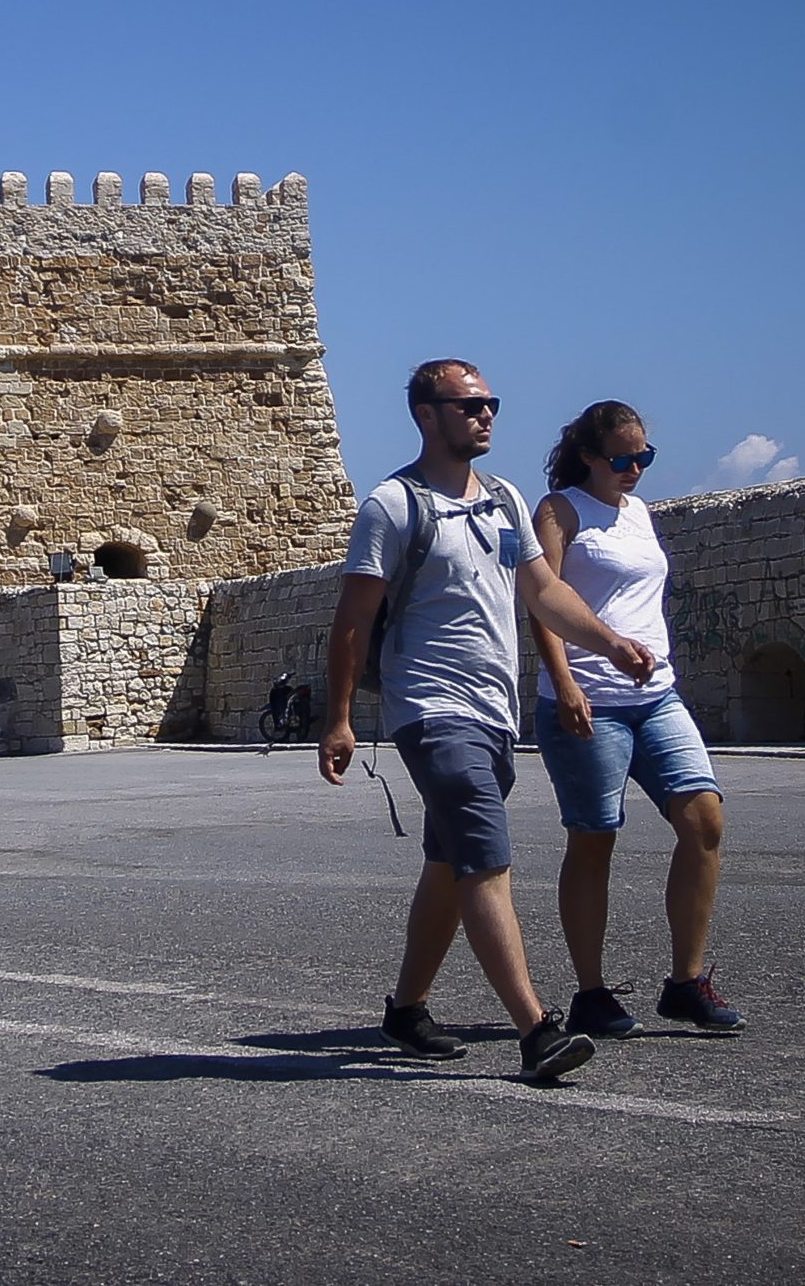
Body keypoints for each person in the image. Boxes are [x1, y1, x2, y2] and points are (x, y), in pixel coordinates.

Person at [318, 360, 658, 1083]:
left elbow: (543, 590)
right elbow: (353, 619)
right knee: (485, 856)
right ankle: (538, 1031)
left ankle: (407, 1008)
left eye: (490, 404)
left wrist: (610, 641)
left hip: (494, 711)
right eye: (468, 405)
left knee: (449, 859)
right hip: (431, 709)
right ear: (426, 414)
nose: (485, 416)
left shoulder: (504, 499)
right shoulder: (392, 504)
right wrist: (339, 717)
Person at [531, 401, 742, 1036]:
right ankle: (591, 992)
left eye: (644, 457)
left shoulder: (639, 512)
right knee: (595, 838)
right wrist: (564, 682)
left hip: (657, 694)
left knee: (704, 820)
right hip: (590, 697)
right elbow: (542, 601)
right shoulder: (560, 510)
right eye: (622, 459)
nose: (634, 470)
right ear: (590, 455)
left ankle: (686, 980)